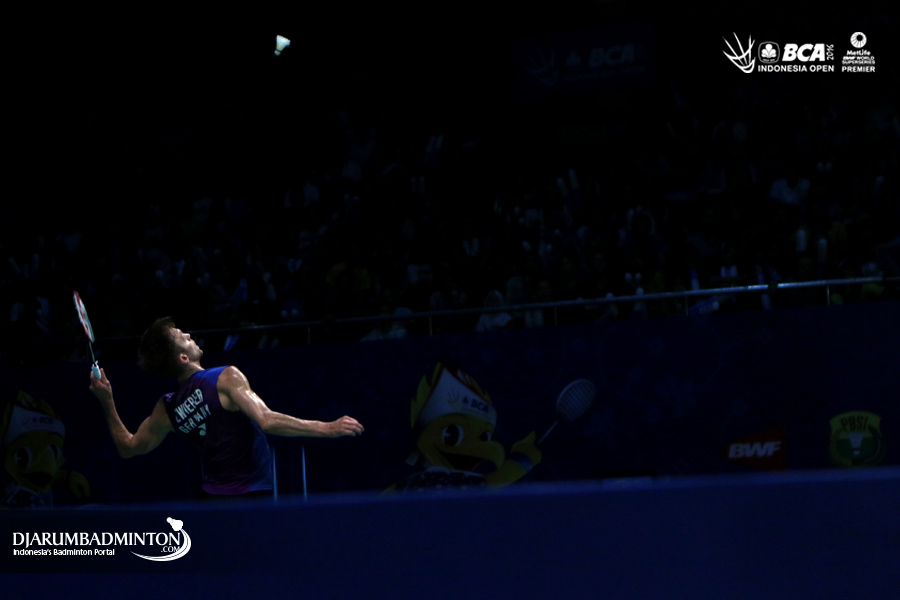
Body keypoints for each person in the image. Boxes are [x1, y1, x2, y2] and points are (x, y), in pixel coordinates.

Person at [88, 317, 364, 499]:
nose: (190, 335)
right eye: (183, 337)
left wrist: (107, 400)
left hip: (211, 499)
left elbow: (129, 447)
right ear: (183, 358)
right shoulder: (225, 377)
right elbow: (267, 420)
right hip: (252, 495)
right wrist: (328, 428)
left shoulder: (167, 407)